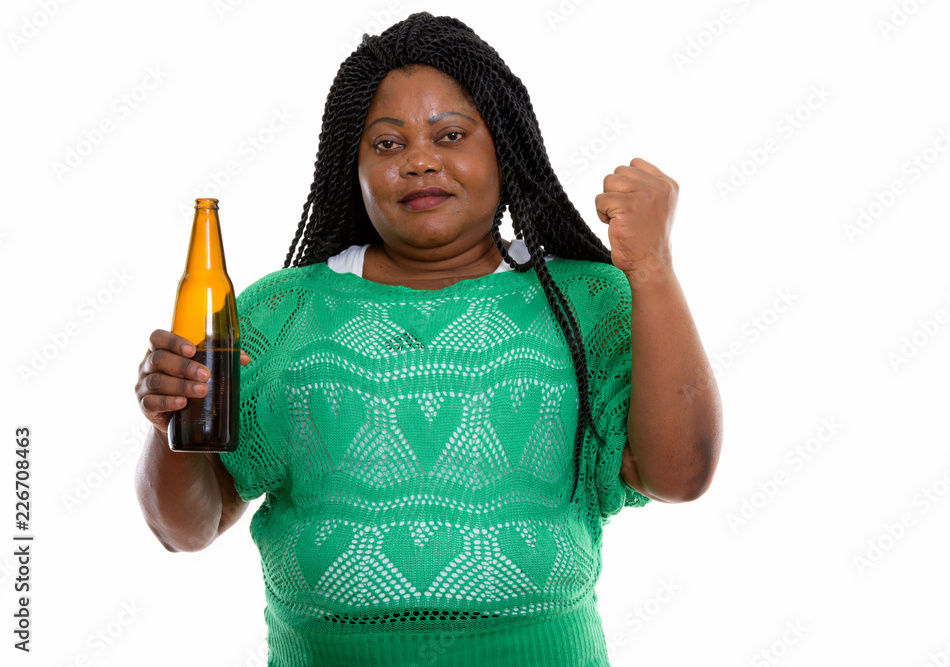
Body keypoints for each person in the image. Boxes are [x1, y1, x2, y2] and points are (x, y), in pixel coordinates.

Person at [134, 12, 721, 666]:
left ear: (505, 145)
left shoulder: (587, 301)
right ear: (347, 164)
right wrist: (172, 424)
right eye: (387, 144)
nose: (419, 160)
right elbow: (185, 527)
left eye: (450, 135)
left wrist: (651, 268)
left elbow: (679, 474)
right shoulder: (279, 311)